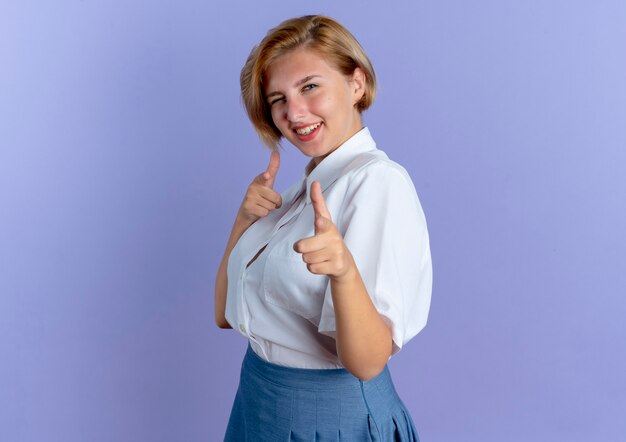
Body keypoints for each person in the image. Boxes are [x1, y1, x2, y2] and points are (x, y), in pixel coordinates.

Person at [214, 14, 432, 441]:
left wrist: (345, 273)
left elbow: (369, 362)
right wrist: (243, 223)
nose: (293, 113)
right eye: (278, 99)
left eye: (309, 87)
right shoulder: (306, 187)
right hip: (258, 403)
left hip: (329, 419)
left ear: (357, 84)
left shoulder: (377, 182)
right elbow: (223, 315)